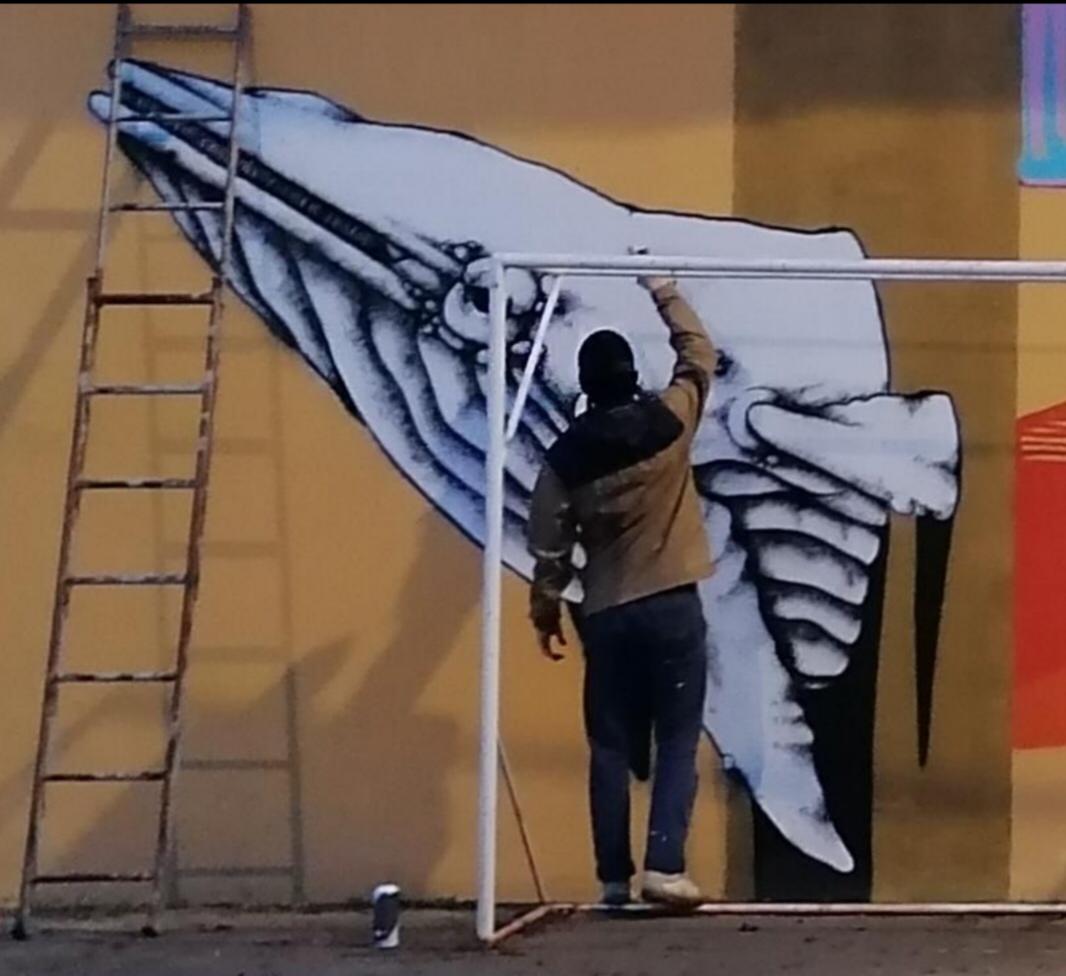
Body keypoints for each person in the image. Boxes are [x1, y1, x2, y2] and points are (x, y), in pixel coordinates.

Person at [526, 267, 718, 908]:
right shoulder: (670, 422)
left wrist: (545, 608)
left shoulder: (565, 458)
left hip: (606, 612)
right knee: (677, 737)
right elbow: (698, 355)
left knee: (609, 745)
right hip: (673, 602)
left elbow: (548, 542)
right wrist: (663, 290)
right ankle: (664, 865)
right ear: (632, 375)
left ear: (585, 386)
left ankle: (613, 879)